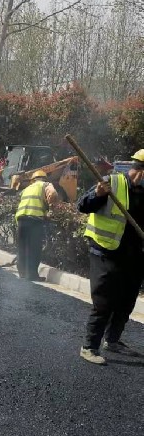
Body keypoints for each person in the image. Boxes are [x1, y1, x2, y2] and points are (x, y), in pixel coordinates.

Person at [77, 150, 144, 365]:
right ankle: (89, 346)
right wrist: (97, 194)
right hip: (105, 251)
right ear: (141, 172)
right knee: (104, 301)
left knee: (126, 302)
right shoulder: (110, 183)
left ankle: (112, 340)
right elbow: (83, 206)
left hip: (134, 256)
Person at [14, 169, 60, 281]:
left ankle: (22, 273)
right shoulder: (46, 185)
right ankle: (32, 275)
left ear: (32, 180)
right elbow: (53, 194)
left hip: (21, 219)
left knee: (22, 248)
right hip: (35, 220)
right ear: (44, 178)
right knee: (34, 248)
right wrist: (51, 210)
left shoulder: (27, 189)